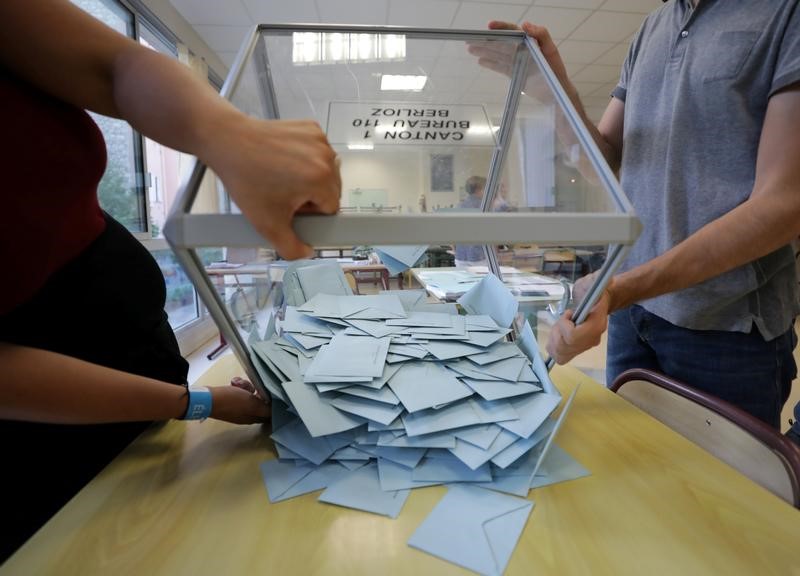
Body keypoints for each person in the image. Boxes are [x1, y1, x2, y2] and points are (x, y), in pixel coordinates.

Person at [0, 0, 340, 560]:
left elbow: (114, 63)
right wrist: (192, 403)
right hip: (52, 446)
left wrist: (227, 132)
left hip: (150, 413)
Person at [485, 0, 800, 431]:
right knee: (634, 471)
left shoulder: (784, 12)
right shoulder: (652, 28)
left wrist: (622, 288)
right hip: (631, 316)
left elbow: (784, 204)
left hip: (725, 326)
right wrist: (549, 85)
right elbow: (602, 159)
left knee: (717, 494)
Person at [454, 176, 490, 268]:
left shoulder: (459, 206)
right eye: (485, 188)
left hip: (460, 257)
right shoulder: (484, 206)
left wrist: (456, 250)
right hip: (479, 257)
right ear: (478, 189)